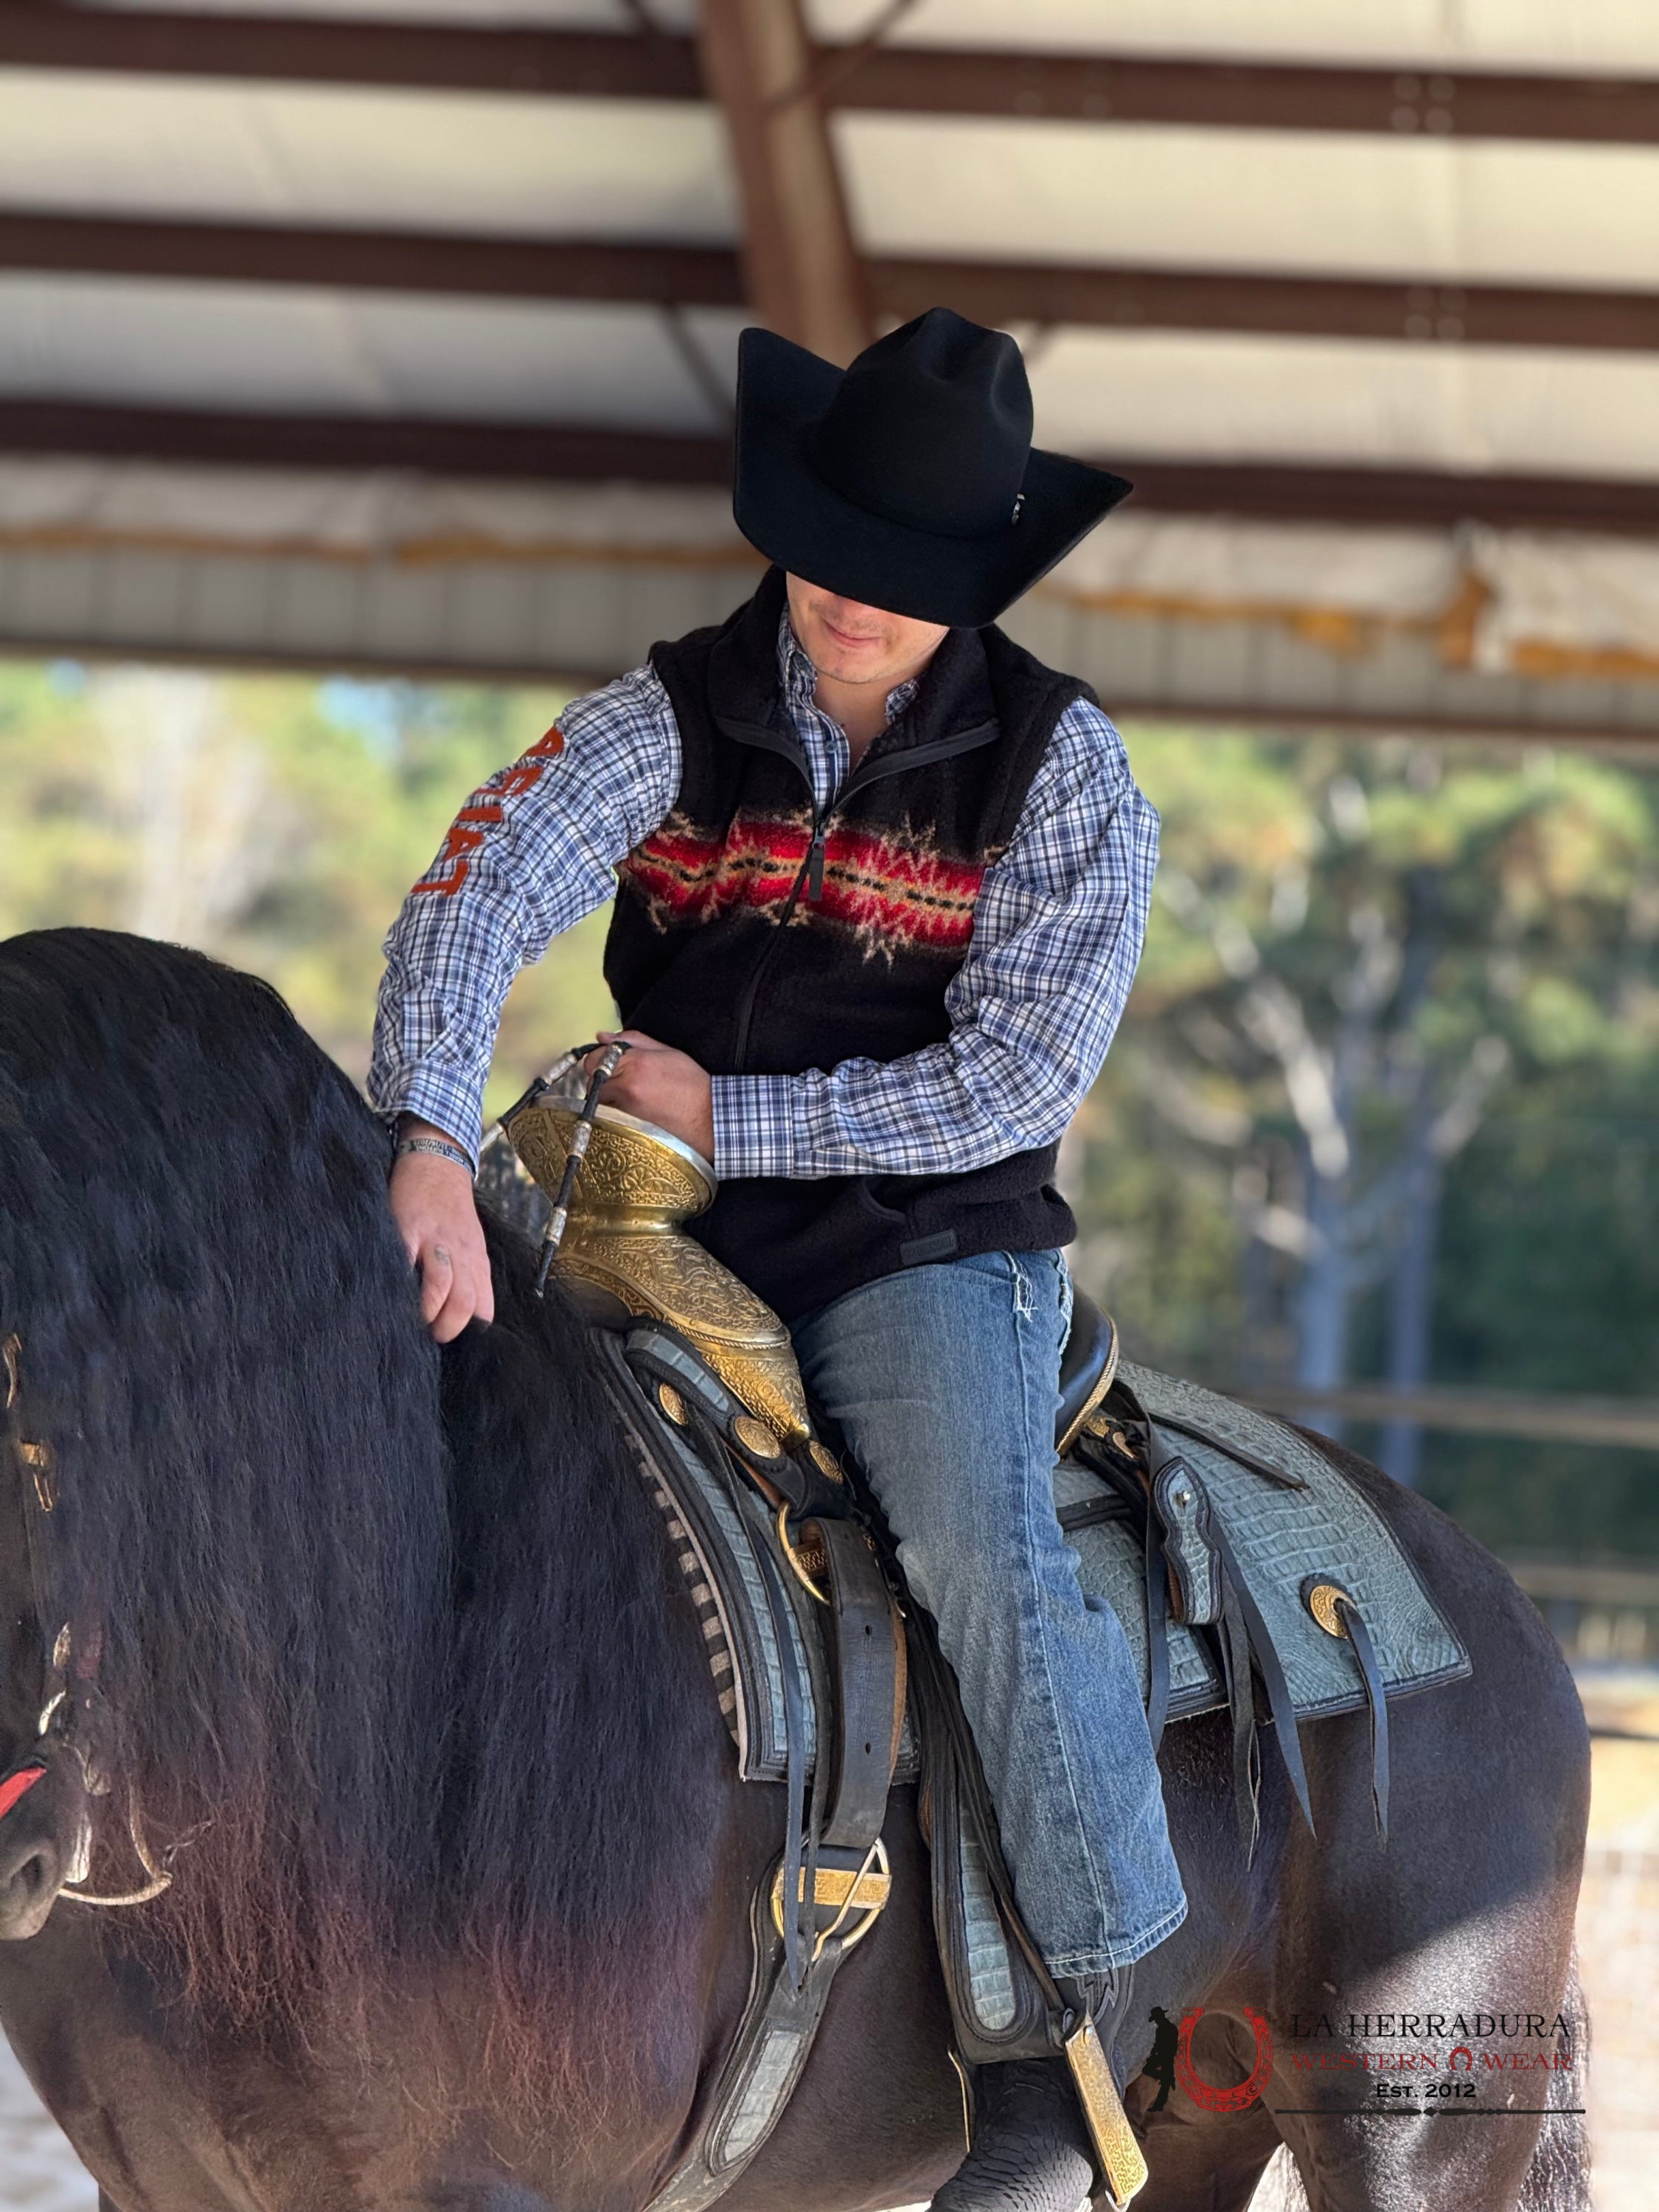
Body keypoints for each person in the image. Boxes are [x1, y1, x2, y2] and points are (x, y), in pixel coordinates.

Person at [369, 307, 1187, 2211]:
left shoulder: (1063, 776)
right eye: (833, 555)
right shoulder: (674, 712)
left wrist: (730, 1118)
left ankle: (1081, 2037)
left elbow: (1010, 1086)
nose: (851, 604)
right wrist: (424, 1133)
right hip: (646, 1219)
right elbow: (478, 881)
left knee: (976, 1538)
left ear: (971, 582)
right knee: (430, 1447)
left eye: (903, 583)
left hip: (928, 1243)